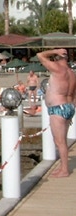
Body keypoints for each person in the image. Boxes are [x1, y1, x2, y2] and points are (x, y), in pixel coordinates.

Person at [36, 48, 76, 178]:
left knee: (60, 142)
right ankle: (63, 167)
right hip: (68, 107)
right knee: (60, 140)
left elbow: (40, 55)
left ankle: (64, 170)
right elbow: (73, 95)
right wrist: (70, 113)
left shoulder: (57, 69)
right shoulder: (72, 73)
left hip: (58, 108)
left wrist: (55, 51)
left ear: (57, 57)